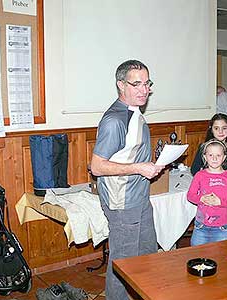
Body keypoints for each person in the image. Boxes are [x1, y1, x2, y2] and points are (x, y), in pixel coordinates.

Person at [90, 60, 164, 300]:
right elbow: (97, 167)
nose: (144, 90)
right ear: (121, 85)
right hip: (122, 203)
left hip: (139, 198)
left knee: (147, 255)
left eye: (147, 83)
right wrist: (139, 168)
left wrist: (152, 165)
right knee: (123, 265)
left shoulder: (134, 112)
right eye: (137, 84)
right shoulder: (115, 121)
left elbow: (129, 152)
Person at [187, 140, 227, 245]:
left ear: (224, 157)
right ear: (205, 157)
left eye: (218, 155)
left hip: (222, 228)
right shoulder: (199, 175)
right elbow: (190, 195)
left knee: (220, 257)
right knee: (197, 255)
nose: (214, 158)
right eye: (210, 155)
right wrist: (201, 199)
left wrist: (220, 202)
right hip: (201, 226)